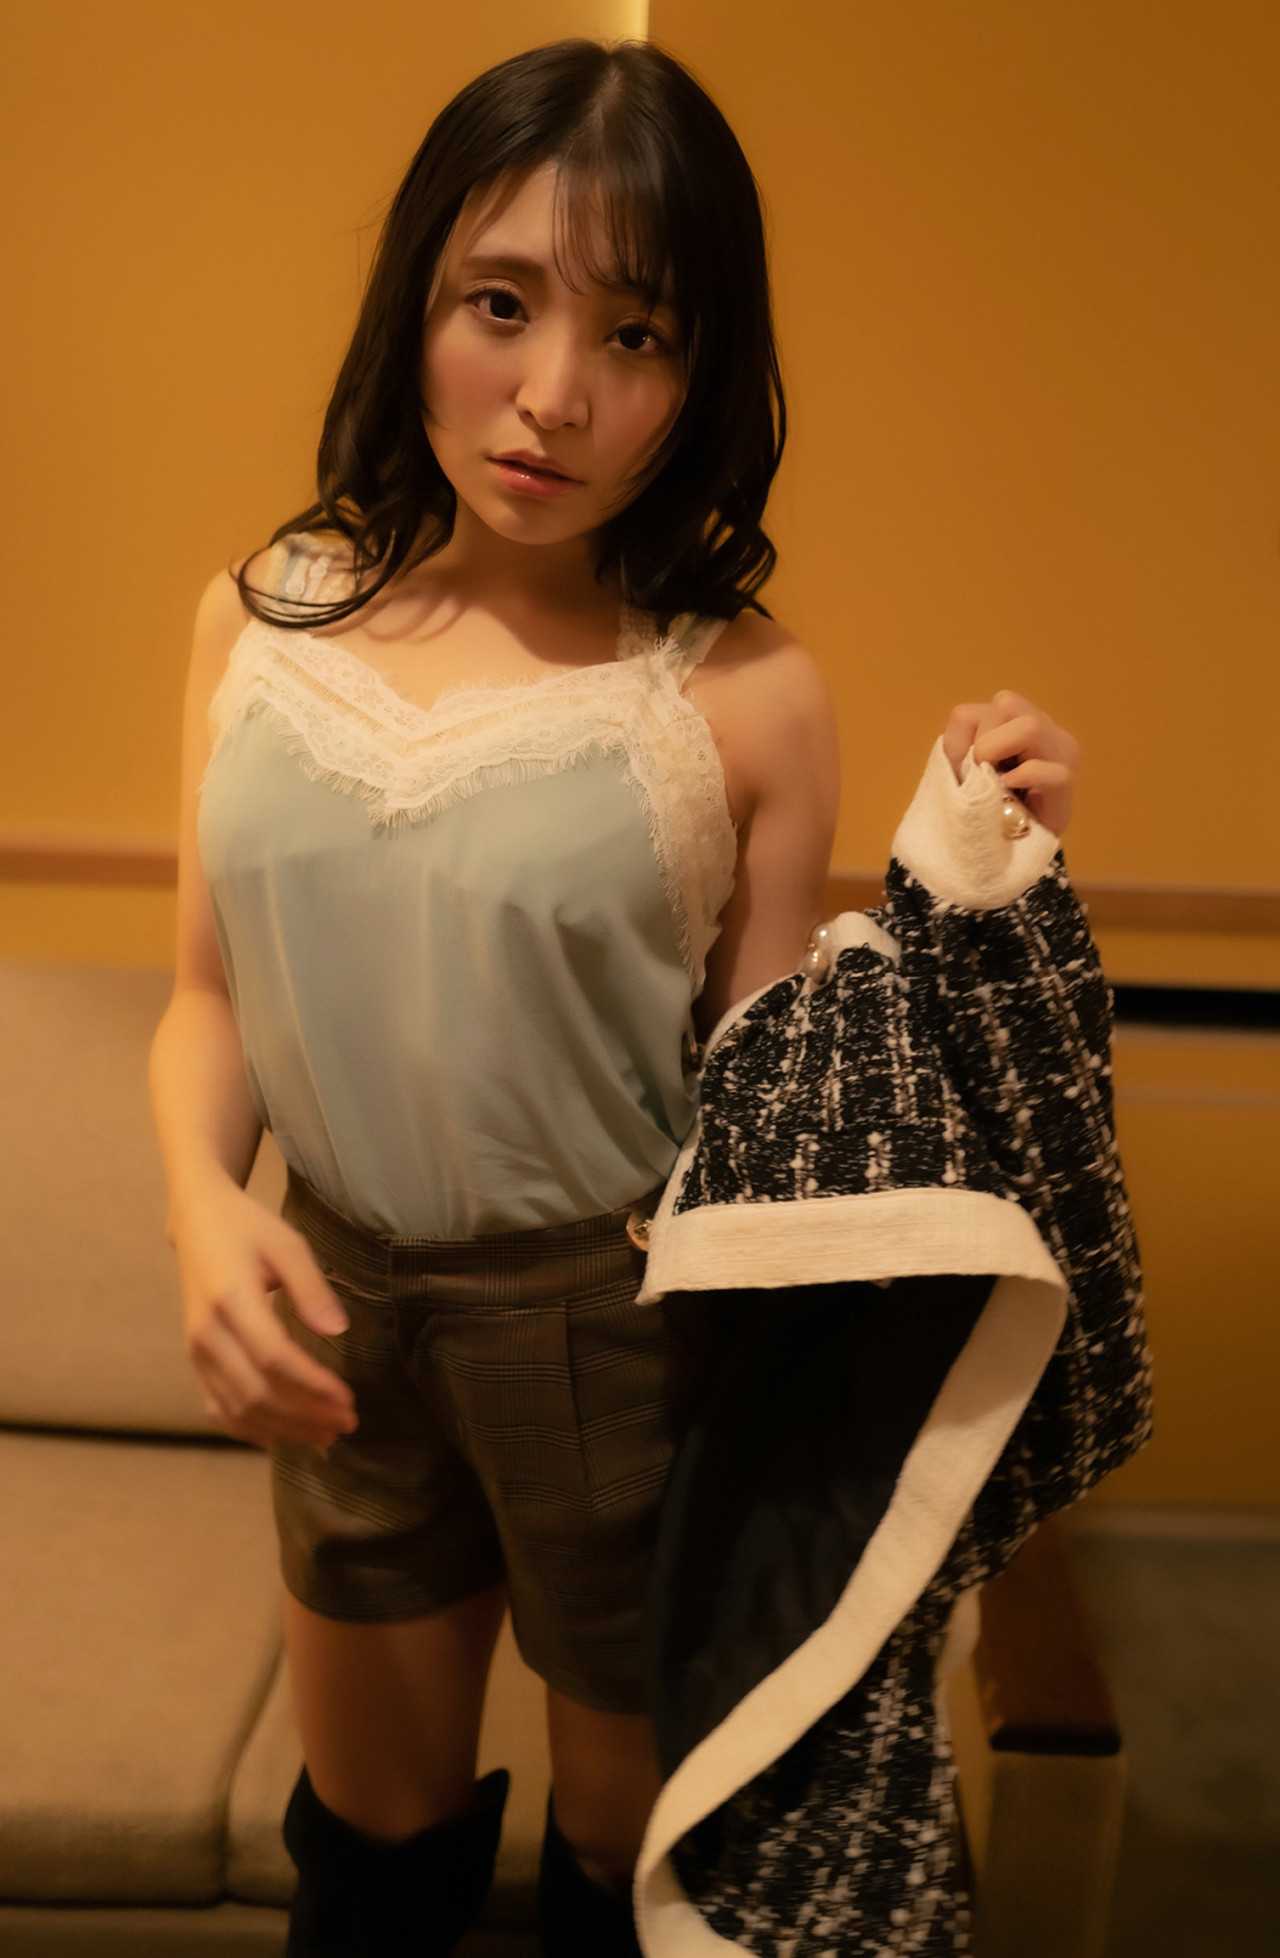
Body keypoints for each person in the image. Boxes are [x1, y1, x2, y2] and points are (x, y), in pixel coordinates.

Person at [147, 34, 842, 1958]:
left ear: (703, 374)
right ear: (417, 302)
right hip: (334, 1291)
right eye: (502, 303)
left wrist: (990, 858)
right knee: (371, 1848)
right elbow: (205, 995)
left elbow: (780, 1124)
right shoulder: (256, 618)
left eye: (637, 333)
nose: (555, 396)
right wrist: (203, 1204)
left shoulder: (745, 697)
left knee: (629, 1861)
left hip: (616, 1318)